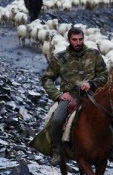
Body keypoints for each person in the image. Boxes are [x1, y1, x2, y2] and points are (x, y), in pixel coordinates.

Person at [41, 26, 108, 165]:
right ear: (68, 40)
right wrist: (58, 95)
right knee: (57, 120)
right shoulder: (60, 58)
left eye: (80, 39)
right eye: (74, 40)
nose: (78, 42)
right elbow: (47, 78)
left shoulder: (94, 54)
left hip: (92, 94)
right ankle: (56, 152)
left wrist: (92, 83)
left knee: (111, 115)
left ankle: (111, 149)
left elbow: (104, 75)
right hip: (70, 96)